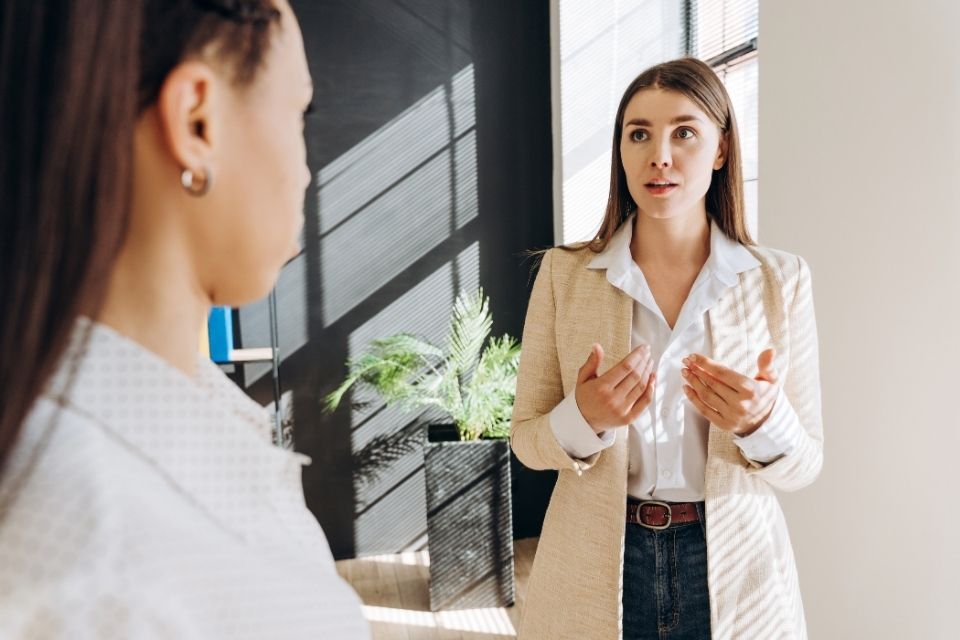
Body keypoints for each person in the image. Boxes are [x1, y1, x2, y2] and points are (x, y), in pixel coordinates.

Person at [0, 1, 369, 637]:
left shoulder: (158, 439)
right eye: (299, 113)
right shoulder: (93, 567)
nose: (307, 168)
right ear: (198, 121)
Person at [510, 58, 823, 640]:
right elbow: (526, 441)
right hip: (596, 561)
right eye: (639, 134)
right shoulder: (565, 274)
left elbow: (806, 464)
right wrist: (586, 417)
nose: (660, 154)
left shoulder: (781, 281)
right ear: (621, 152)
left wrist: (762, 421)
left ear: (721, 149)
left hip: (736, 569)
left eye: (684, 132)